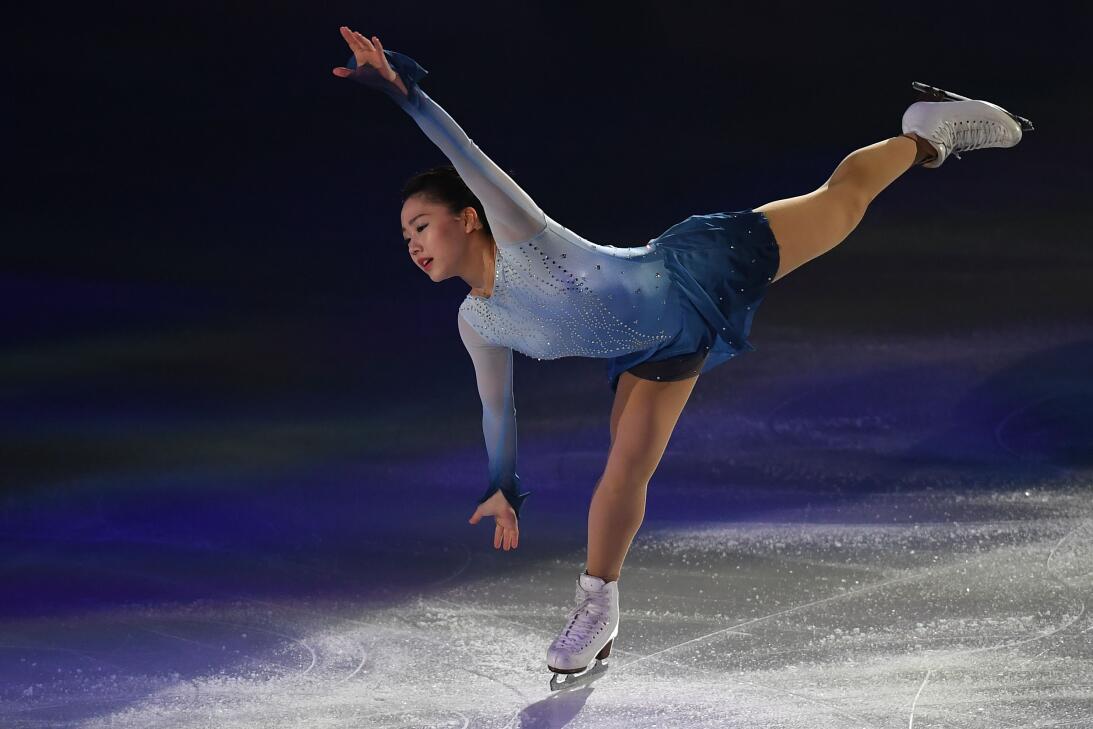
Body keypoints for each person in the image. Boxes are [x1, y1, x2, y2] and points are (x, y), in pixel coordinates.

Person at [331, 26, 1028, 687]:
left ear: (469, 218)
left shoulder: (520, 235)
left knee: (840, 203)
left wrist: (405, 92)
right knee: (625, 465)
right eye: (404, 238)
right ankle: (597, 605)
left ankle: (923, 133)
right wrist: (500, 481)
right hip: (657, 344)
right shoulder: (476, 320)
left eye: (421, 225)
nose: (414, 243)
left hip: (703, 267)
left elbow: (466, 158)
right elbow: (495, 404)